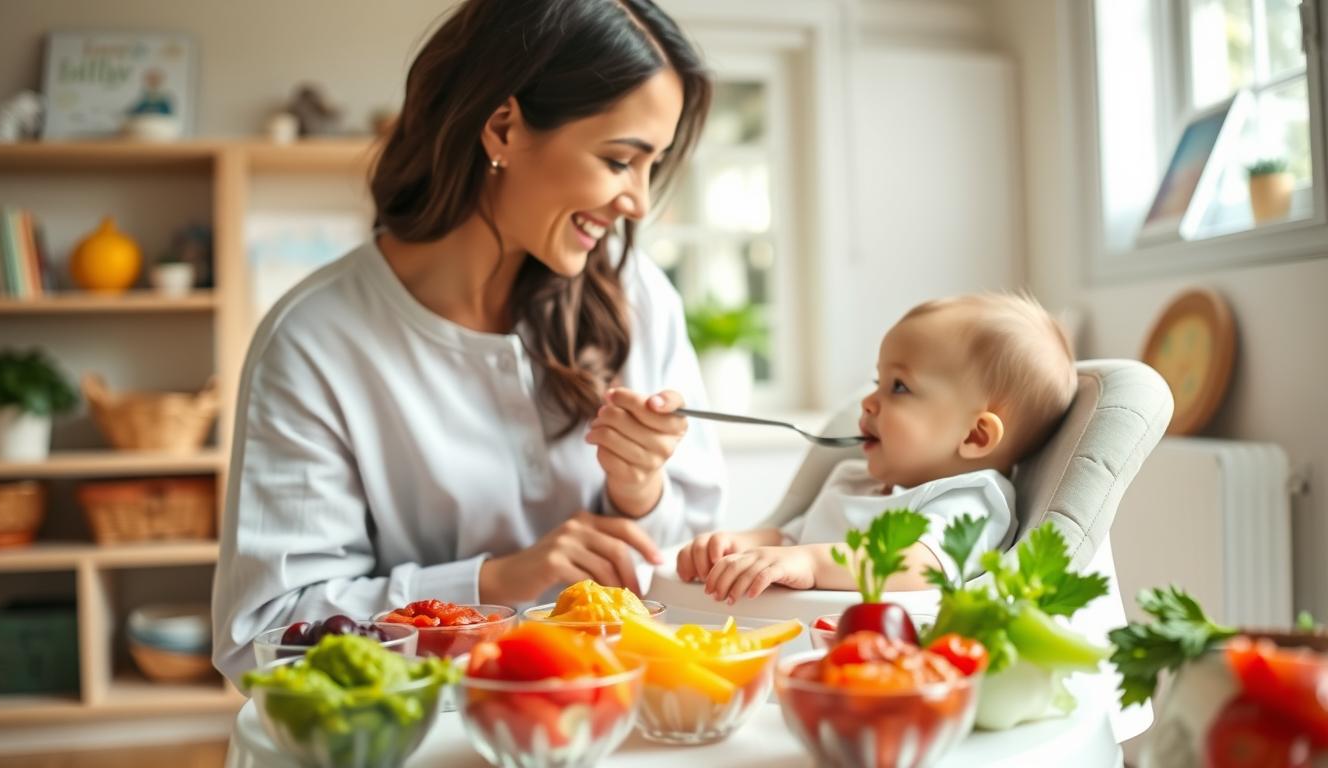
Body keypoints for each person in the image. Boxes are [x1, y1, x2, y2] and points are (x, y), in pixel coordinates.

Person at [212, 0, 723, 682]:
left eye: (652, 165)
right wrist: (491, 582)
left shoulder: (637, 296)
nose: (639, 202)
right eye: (619, 160)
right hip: (423, 725)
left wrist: (640, 491)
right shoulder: (315, 340)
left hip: (608, 712)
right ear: (503, 127)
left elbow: (693, 573)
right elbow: (263, 636)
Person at [678, 293, 1077, 604]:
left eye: (899, 387)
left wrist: (813, 563)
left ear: (975, 436)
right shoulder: (852, 480)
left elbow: (920, 564)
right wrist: (741, 546)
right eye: (877, 382)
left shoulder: (973, 500)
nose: (868, 402)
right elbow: (791, 539)